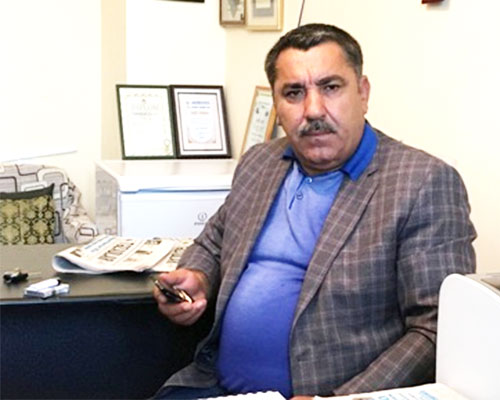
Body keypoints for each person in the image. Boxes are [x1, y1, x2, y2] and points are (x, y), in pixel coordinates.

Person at [153, 23, 476, 399]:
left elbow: (435, 328)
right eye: (294, 93)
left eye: (330, 87)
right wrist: (198, 276)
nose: (313, 109)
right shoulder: (260, 162)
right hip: (212, 384)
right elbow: (214, 240)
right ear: (276, 104)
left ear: (363, 93)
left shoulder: (421, 183)